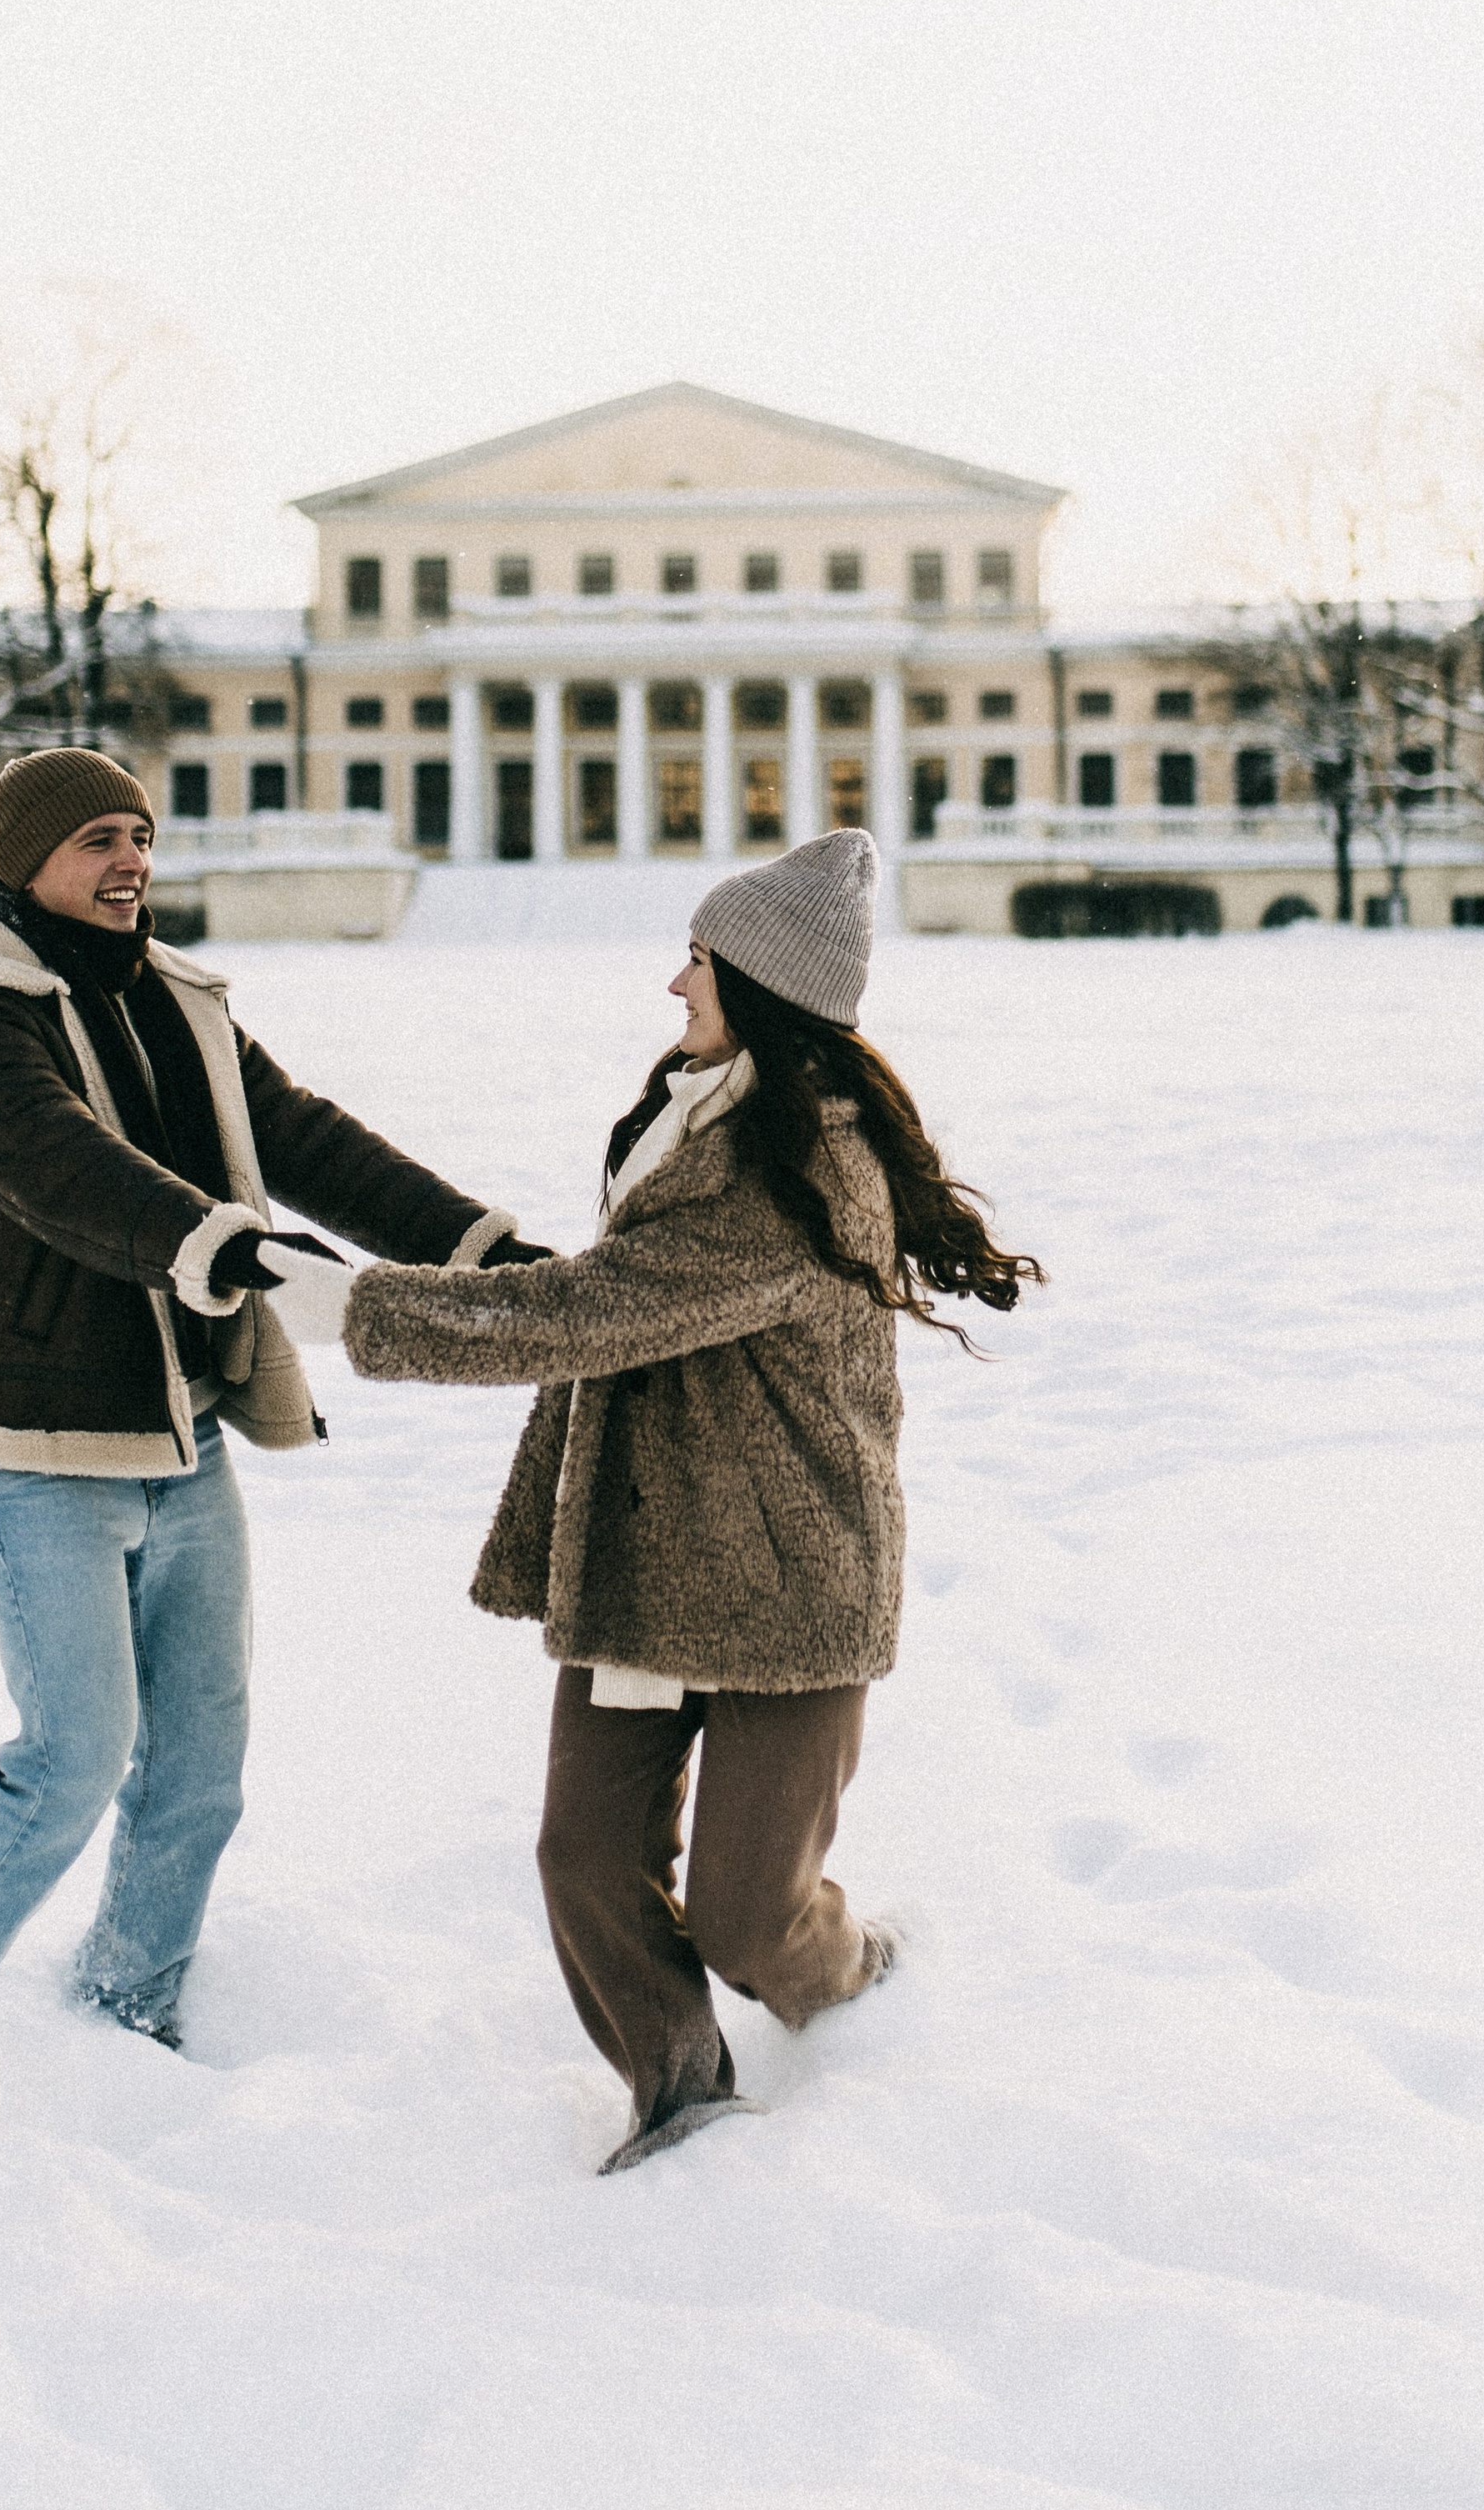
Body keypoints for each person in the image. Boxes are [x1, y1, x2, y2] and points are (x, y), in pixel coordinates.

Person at [255, 828, 1040, 2174]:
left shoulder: (803, 1178)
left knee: (748, 1916)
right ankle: (681, 2096)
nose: (674, 985)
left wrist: (358, 1311)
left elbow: (599, 1305)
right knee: (585, 1857)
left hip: (793, 1569)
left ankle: (853, 1978)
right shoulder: (694, 1103)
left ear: (764, 989)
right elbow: (618, 1285)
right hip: (652, 1546)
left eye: (698, 959)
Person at [0, 745, 545, 2122]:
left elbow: (312, 1141)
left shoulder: (178, 998)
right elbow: (66, 1173)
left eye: (141, 835)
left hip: (180, 1428)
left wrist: (481, 1251)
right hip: (33, 1439)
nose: (131, 860)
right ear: (20, 859)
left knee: (201, 1761)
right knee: (69, 1760)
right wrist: (236, 1251)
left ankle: (124, 2018)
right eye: (98, 838)